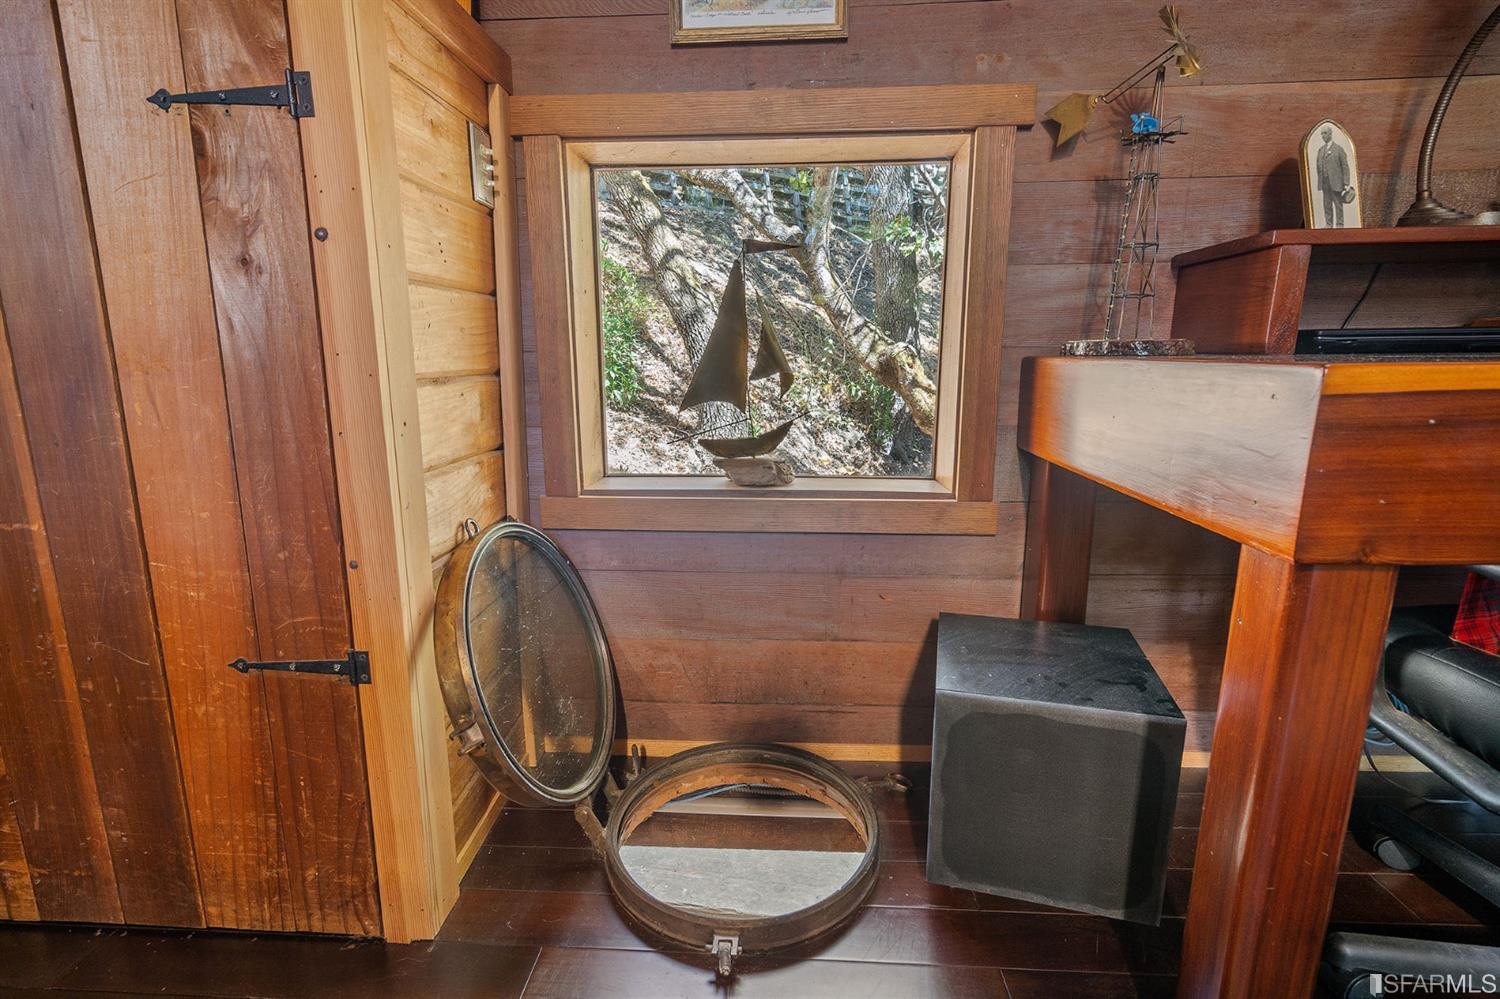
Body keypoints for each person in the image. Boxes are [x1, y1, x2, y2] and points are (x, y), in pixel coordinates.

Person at [1315, 125, 1351, 227]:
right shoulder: (1320, 150)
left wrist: (1346, 182)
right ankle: (1329, 225)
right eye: (1322, 134)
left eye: (1325, 133)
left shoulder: (1339, 149)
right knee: (1327, 205)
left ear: (1330, 134)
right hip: (1325, 183)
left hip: (1336, 183)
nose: (1323, 136)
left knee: (1338, 205)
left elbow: (1345, 166)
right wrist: (1321, 181)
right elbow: (1318, 167)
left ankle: (1339, 225)